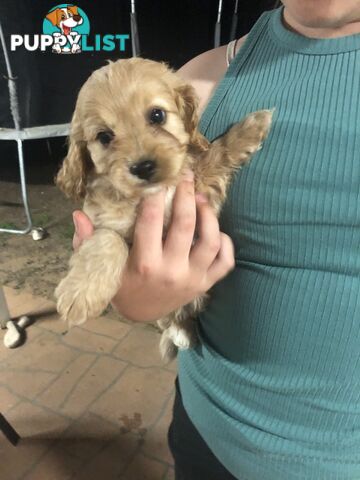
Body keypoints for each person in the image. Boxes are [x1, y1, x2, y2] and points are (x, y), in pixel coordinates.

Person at [73, 1, 360, 478]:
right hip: (211, 432)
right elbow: (126, 226)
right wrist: (137, 301)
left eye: (156, 118)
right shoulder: (203, 79)